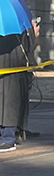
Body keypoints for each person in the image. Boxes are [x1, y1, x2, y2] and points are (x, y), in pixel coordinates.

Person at [0, 19, 36, 152]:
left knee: (7, 105)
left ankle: (7, 138)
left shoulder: (14, 31)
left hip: (10, 72)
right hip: (13, 72)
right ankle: (10, 134)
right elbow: (29, 48)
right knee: (8, 105)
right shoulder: (19, 28)